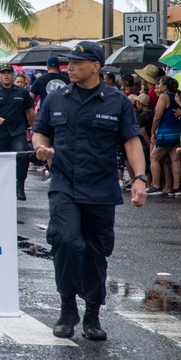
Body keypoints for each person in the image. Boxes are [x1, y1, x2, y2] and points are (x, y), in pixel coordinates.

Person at [31, 41, 146, 342]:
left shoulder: (117, 102)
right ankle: (67, 306)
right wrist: (40, 147)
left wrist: (140, 178)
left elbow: (132, 141)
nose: (69, 67)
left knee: (96, 251)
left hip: (100, 186)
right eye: (68, 62)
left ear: (95, 66)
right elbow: (40, 131)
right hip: (64, 183)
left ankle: (92, 312)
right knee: (66, 242)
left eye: (76, 62)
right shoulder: (56, 99)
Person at [0, 63, 35, 201]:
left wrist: (35, 129)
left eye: (9, 73)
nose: (6, 75)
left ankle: (20, 185)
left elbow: (30, 111)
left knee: (23, 155)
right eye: (3, 73)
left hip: (18, 131)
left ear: (12, 75)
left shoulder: (21, 92)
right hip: (0, 133)